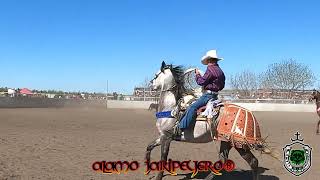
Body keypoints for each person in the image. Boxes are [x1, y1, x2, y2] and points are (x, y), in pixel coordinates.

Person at [175, 49, 225, 136]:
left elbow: (201, 82)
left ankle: (181, 128)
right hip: (215, 96)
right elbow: (222, 85)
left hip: (208, 96)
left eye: (207, 61)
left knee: (192, 107)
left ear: (209, 60)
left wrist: (197, 74)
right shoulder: (220, 71)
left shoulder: (210, 69)